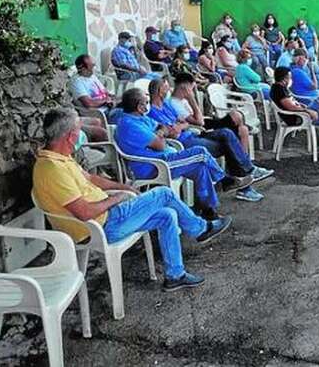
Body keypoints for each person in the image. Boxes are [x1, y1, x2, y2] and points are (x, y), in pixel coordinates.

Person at [33, 108, 232, 291]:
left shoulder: (62, 158)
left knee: (167, 215)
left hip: (106, 218)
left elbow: (91, 179)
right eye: (79, 130)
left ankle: (175, 275)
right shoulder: (52, 170)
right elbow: (84, 213)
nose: (81, 134)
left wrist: (124, 188)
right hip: (100, 227)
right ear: (70, 137)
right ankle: (200, 229)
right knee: (164, 194)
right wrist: (117, 198)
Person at [114, 88, 252, 219]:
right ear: (139, 107)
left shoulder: (140, 118)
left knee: (200, 167)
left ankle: (208, 210)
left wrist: (160, 132)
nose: (147, 105)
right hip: (155, 166)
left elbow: (163, 127)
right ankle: (223, 180)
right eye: (146, 102)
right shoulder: (130, 125)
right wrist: (161, 136)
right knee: (200, 153)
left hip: (166, 158)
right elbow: (161, 145)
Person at [146, 78, 272, 202]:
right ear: (159, 91)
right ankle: (245, 183)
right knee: (229, 146)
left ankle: (246, 176)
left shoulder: (166, 105)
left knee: (227, 133)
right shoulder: (152, 113)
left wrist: (180, 126)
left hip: (193, 134)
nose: (169, 90)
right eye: (166, 88)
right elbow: (171, 133)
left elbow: (184, 123)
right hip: (184, 143)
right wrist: (178, 127)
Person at [170, 72, 252, 153]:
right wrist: (192, 100)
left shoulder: (183, 100)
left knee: (240, 124)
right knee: (240, 128)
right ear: (185, 87)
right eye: (191, 89)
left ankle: (244, 158)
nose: (192, 92)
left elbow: (199, 116)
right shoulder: (175, 104)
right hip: (200, 127)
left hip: (204, 121)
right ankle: (243, 157)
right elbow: (200, 122)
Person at [271, 66, 319, 156]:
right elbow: (291, 107)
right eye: (289, 77)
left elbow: (292, 103)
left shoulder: (280, 87)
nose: (291, 80)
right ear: (284, 79)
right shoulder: (279, 90)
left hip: (298, 113)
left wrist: (301, 105)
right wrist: (308, 111)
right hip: (297, 117)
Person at [71, 54, 119, 139]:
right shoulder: (77, 82)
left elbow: (105, 93)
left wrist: (113, 98)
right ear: (83, 68)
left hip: (109, 107)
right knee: (127, 116)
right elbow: (89, 103)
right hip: (101, 113)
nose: (94, 68)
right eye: (92, 66)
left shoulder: (92, 77)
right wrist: (105, 101)